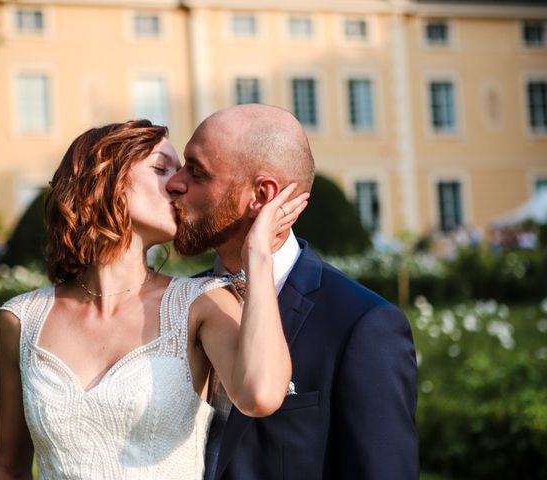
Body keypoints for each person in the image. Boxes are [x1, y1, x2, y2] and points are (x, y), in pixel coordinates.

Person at [0, 120, 308, 479]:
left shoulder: (201, 304)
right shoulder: (22, 319)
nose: (177, 184)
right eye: (161, 169)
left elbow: (260, 395)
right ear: (104, 179)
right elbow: (7, 469)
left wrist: (258, 254)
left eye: (184, 170)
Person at [166, 104, 419, 479]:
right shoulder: (179, 303)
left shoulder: (360, 325)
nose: (175, 182)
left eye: (196, 171)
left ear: (262, 196)